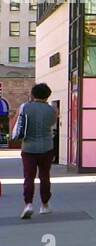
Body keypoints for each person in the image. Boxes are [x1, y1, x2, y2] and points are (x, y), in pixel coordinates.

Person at [13, 83, 57, 219]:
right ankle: (44, 205)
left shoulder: (25, 107)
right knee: (45, 176)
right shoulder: (52, 110)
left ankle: (28, 204)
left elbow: (18, 123)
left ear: (33, 94)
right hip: (47, 147)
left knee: (29, 177)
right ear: (47, 95)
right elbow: (52, 126)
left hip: (28, 148)